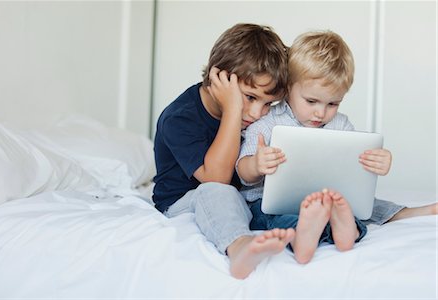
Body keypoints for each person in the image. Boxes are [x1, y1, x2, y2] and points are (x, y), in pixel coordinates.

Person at [236, 30, 437, 264]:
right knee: (274, 217)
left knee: (357, 207)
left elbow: (354, 176)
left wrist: (376, 163)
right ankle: (303, 236)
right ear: (289, 87)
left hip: (326, 202)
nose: (321, 113)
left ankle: (348, 229)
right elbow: (242, 173)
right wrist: (256, 164)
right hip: (271, 203)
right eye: (311, 101)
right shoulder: (267, 122)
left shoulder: (340, 124)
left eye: (333, 103)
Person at [152, 23, 296, 280]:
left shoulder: (255, 117)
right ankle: (239, 246)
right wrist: (232, 109)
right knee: (214, 192)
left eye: (268, 103)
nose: (257, 113)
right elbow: (216, 179)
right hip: (184, 201)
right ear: (219, 79)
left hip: (235, 198)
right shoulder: (179, 118)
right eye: (250, 97)